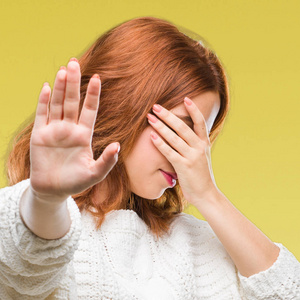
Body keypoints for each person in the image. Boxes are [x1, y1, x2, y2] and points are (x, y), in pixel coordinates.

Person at [0, 16, 299, 300]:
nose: (190, 153)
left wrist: (209, 195)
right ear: (125, 103)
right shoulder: (42, 222)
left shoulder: (194, 242)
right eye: (180, 128)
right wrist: (46, 201)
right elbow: (24, 264)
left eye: (200, 139)